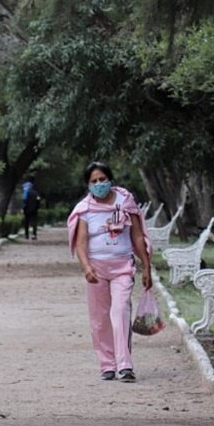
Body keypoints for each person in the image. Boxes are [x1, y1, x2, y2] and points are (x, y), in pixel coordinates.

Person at [67, 161, 152, 382]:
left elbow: (137, 236)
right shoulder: (84, 209)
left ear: (110, 179)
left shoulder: (126, 202)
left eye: (102, 179)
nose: (99, 184)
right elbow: (81, 243)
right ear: (88, 185)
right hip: (97, 270)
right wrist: (86, 267)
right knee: (100, 319)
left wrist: (146, 266)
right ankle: (107, 365)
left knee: (120, 311)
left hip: (123, 267)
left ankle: (125, 365)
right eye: (94, 181)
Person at [21, 174, 41, 240]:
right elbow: (38, 200)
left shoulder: (26, 192)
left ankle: (26, 235)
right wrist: (38, 207)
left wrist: (23, 208)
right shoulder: (36, 193)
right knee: (34, 222)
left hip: (27, 209)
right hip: (34, 209)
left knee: (26, 222)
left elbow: (24, 200)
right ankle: (34, 234)